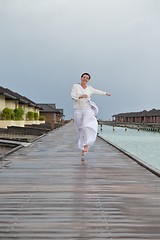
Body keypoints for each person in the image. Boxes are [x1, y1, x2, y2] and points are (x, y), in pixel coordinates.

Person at [71, 72, 112, 161]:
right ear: (81, 78)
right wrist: (80, 96)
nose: (85, 79)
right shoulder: (75, 86)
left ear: (88, 80)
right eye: (84, 77)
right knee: (80, 129)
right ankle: (82, 147)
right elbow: (72, 95)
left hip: (87, 110)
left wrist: (106, 93)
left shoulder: (90, 88)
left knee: (86, 126)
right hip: (78, 110)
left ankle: (86, 145)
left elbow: (98, 91)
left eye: (87, 78)